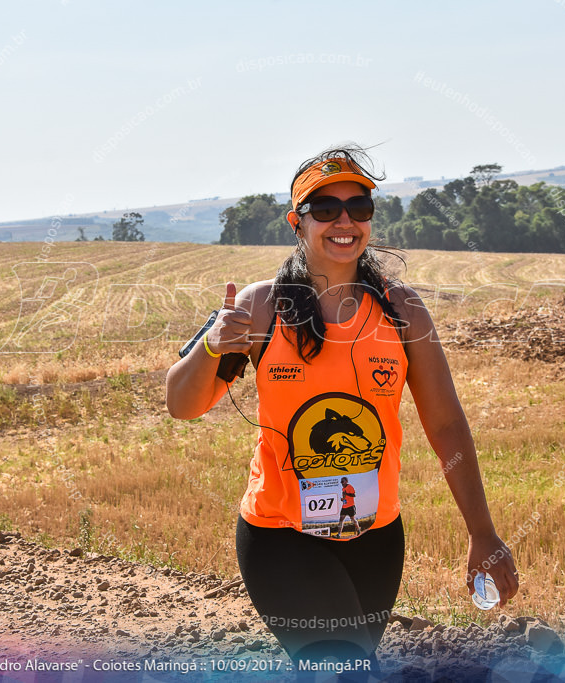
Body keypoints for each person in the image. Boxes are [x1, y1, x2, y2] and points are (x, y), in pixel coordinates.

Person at [165, 145, 518, 677]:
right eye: (325, 209)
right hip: (280, 537)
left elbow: (445, 424)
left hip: (375, 538)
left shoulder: (403, 311)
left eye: (359, 206)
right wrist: (213, 346)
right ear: (297, 223)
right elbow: (180, 404)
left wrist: (482, 532)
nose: (344, 220)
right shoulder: (260, 307)